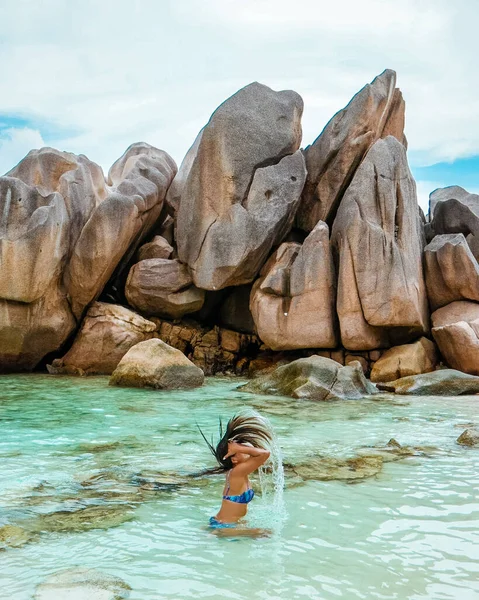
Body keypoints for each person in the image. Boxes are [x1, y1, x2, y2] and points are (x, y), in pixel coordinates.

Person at [199, 414, 271, 535]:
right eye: (240, 450)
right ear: (234, 459)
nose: (245, 449)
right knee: (266, 534)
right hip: (225, 526)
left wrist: (238, 448)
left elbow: (260, 455)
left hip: (225, 523)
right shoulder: (237, 473)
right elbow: (265, 454)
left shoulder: (238, 472)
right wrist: (237, 447)